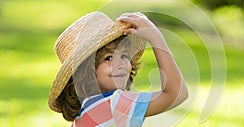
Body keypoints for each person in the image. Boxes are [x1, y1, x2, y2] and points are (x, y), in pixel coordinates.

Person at [48, 11, 188, 127]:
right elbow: (177, 93)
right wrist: (156, 37)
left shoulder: (82, 115)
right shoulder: (116, 103)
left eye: (124, 56)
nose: (120, 64)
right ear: (87, 73)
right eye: (108, 58)